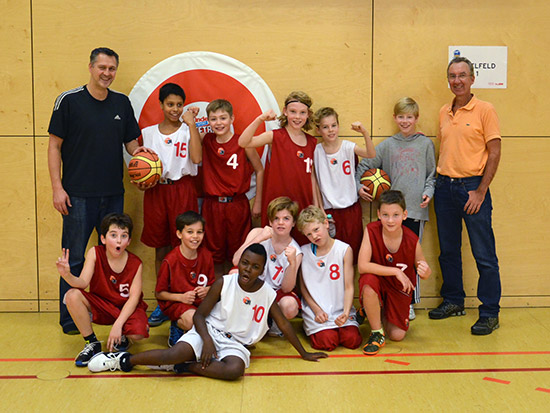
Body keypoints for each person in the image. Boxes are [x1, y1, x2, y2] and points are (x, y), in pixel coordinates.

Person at [87, 244, 327, 380]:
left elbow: (284, 324)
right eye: (245, 263)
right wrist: (208, 341)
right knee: (174, 353)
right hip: (209, 331)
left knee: (235, 371)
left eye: (255, 267)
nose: (248, 269)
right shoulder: (224, 282)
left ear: (262, 270)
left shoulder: (267, 294)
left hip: (236, 343)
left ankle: (184, 367)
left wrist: (304, 353)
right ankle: (122, 360)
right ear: (239, 262)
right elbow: (200, 316)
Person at [48, 47, 143, 334]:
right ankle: (70, 319)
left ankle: (111, 314)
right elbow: (54, 146)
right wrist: (57, 188)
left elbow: (131, 144)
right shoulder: (69, 101)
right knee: (75, 258)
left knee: (113, 256)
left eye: (112, 68)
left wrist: (143, 157)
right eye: (102, 67)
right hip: (76, 195)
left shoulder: (121, 103)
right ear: (90, 67)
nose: (107, 73)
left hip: (113, 193)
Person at [428, 56, 502, 336]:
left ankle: (490, 312)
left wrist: (480, 191)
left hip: (472, 187)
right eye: (452, 76)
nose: (457, 80)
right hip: (444, 187)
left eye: (462, 75)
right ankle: (453, 301)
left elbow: (494, 152)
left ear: (472, 78)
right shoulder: (443, 111)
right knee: (448, 251)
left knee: (484, 254)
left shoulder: (485, 109)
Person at [355, 97, 435, 319]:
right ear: (394, 118)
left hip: (415, 210)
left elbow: (432, 175)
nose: (405, 121)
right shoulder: (388, 145)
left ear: (416, 118)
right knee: (387, 257)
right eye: (401, 117)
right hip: (391, 213)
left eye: (409, 117)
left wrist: (429, 191)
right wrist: (358, 186)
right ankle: (384, 299)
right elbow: (364, 164)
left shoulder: (426, 144)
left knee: (411, 259)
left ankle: (409, 302)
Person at [137, 83, 202, 327]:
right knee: (160, 248)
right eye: (170, 104)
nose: (175, 109)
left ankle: (183, 302)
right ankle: (163, 302)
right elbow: (139, 167)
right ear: (161, 105)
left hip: (183, 188)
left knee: (184, 248)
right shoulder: (148, 133)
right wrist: (141, 181)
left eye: (179, 105)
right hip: (156, 191)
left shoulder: (188, 130)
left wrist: (192, 124)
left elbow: (197, 158)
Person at [55, 213, 148, 366]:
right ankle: (92, 343)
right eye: (113, 235)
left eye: (124, 236)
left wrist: (118, 325)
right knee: (72, 295)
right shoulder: (95, 253)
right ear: (103, 238)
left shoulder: (136, 263)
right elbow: (82, 283)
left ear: (129, 241)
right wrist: (67, 275)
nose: (119, 240)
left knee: (138, 334)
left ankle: (123, 335)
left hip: (125, 308)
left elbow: (134, 298)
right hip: (103, 305)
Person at [238, 91, 320, 245]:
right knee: (272, 249)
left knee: (300, 249)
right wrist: (260, 119)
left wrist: (315, 206)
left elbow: (311, 176)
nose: (297, 117)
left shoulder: (312, 142)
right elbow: (243, 142)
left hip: (302, 205)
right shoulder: (275, 136)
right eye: (293, 111)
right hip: (276, 206)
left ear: (308, 114)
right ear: (285, 111)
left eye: (302, 113)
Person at [357, 190, 431, 355]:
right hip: (378, 283)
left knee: (397, 336)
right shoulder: (371, 230)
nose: (390, 220)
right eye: (385, 215)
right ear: (378, 214)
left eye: (395, 215)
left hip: (398, 290)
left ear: (404, 215)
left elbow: (424, 271)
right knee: (368, 281)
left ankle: (371, 309)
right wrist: (395, 271)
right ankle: (376, 333)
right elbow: (362, 266)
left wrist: (425, 272)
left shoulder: (412, 240)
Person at [201, 99, 264, 276]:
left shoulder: (243, 143)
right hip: (212, 205)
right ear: (208, 121)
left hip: (237, 204)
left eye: (223, 118)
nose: (218, 123)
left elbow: (260, 170)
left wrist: (258, 202)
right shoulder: (206, 140)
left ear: (232, 119)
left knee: (238, 254)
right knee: (213, 255)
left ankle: (233, 290)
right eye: (213, 119)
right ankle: (217, 290)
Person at [232, 197, 302, 337]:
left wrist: (292, 263)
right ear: (270, 221)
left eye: (286, 219)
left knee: (290, 306)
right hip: (254, 285)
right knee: (233, 274)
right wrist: (258, 239)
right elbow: (236, 260)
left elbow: (287, 288)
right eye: (276, 218)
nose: (280, 222)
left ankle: (272, 323)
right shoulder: (258, 233)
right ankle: (241, 321)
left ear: (293, 223)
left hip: (276, 293)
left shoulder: (296, 250)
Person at [313, 107, 376, 263]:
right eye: (325, 127)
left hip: (351, 210)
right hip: (329, 212)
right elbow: (314, 182)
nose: (330, 130)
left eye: (333, 125)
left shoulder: (348, 147)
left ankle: (350, 280)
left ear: (338, 125)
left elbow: (371, 154)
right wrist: (319, 208)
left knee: (352, 256)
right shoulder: (316, 151)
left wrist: (364, 132)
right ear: (318, 130)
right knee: (331, 257)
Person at [297, 206, 362, 352]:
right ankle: (311, 325)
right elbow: (303, 288)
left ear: (326, 223)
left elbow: (349, 286)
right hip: (318, 311)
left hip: (340, 309)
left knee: (352, 340)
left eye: (316, 229)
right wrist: (316, 310)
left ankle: (345, 322)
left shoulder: (344, 249)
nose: (314, 236)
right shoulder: (303, 252)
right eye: (309, 234)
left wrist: (346, 312)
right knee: (327, 341)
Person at [155, 211, 215, 347]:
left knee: (220, 319)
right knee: (194, 321)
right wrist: (181, 297)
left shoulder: (206, 256)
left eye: (199, 232)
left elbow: (213, 285)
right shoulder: (170, 261)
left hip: (200, 303)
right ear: (179, 234)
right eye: (190, 232)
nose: (195, 236)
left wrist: (207, 290)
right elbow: (159, 293)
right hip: (178, 303)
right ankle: (177, 325)